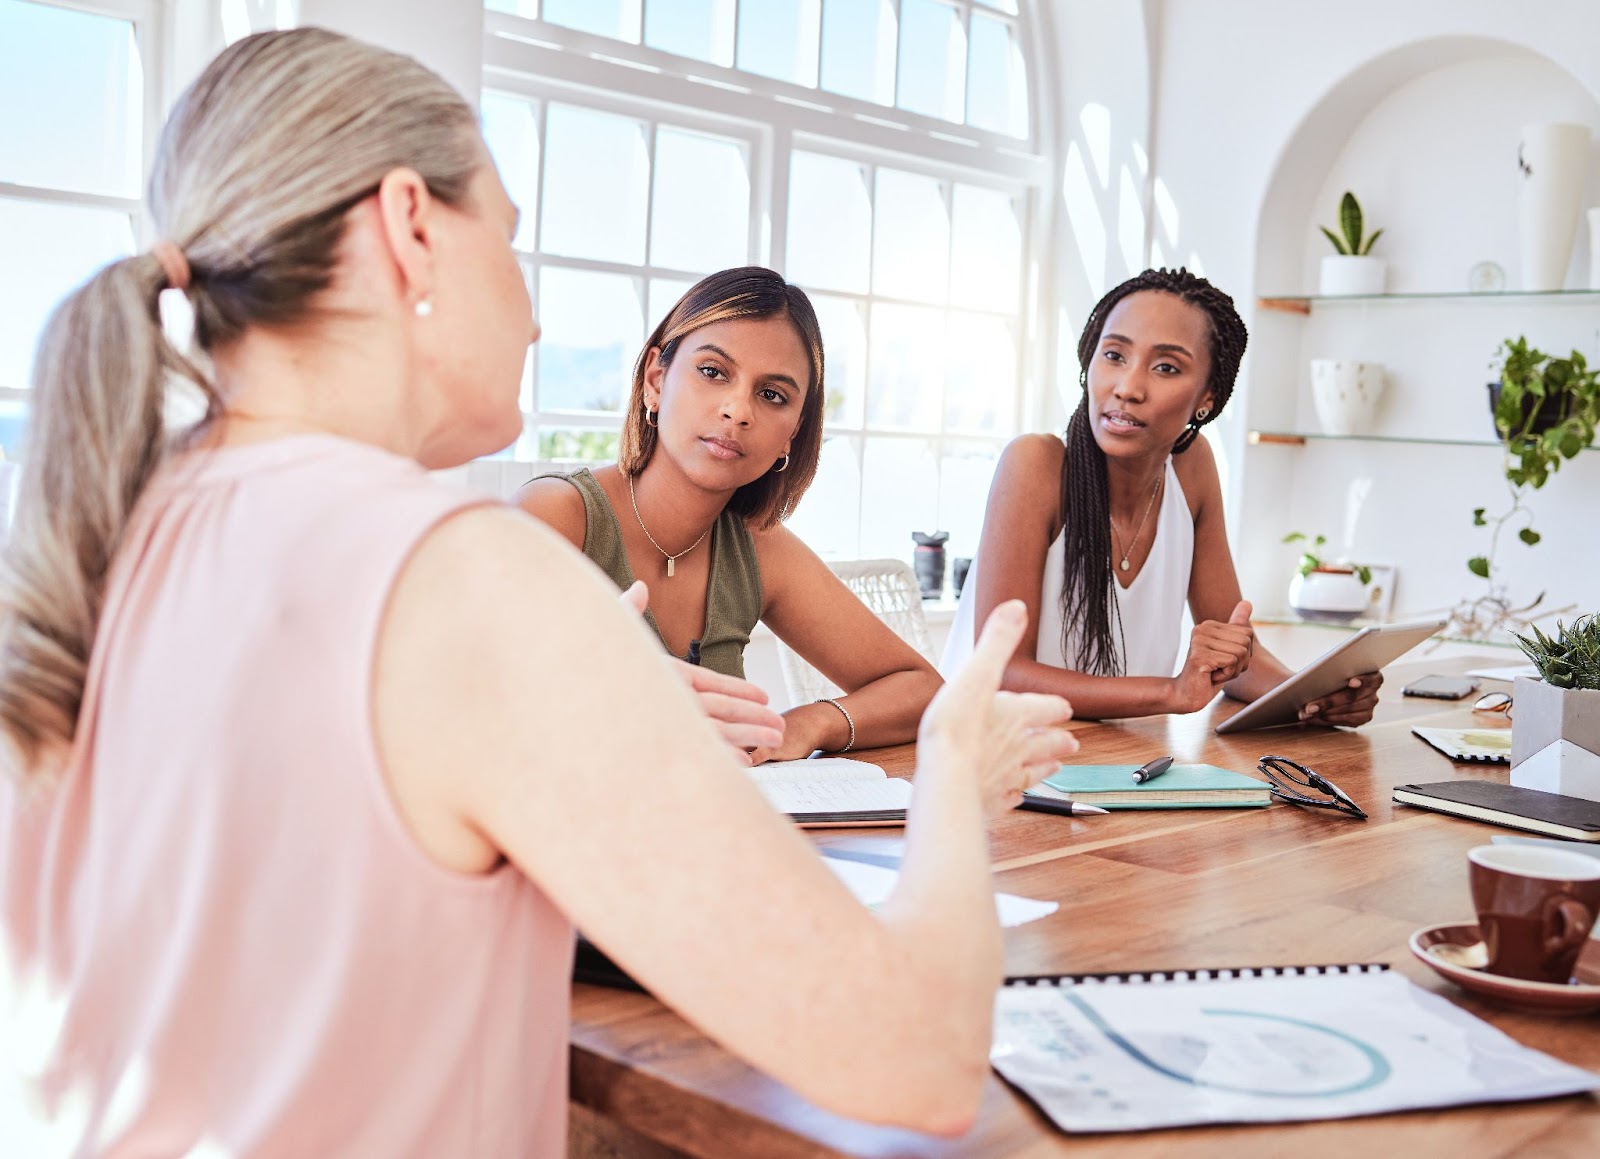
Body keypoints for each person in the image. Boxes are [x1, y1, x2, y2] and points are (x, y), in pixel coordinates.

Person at [0, 29, 1079, 1155]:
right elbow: (914, 1055)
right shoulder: (466, 574)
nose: (536, 314)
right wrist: (955, 774)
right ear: (411, 228)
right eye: (508, 240)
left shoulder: (100, 531)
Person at [518, 269, 942, 763]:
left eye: (772, 395)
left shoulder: (759, 548)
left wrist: (807, 724)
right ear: (656, 379)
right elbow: (460, 709)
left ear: (792, 434)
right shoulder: (555, 518)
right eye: (713, 372)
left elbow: (921, 688)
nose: (739, 411)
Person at [942, 268, 1383, 724]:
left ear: (1206, 397)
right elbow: (1002, 671)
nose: (1128, 388)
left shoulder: (1191, 469)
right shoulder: (1036, 464)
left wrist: (1317, 696)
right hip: (983, 759)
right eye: (1114, 355)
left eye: (1166, 367)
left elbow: (1233, 662)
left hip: (1118, 766)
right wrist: (1171, 692)